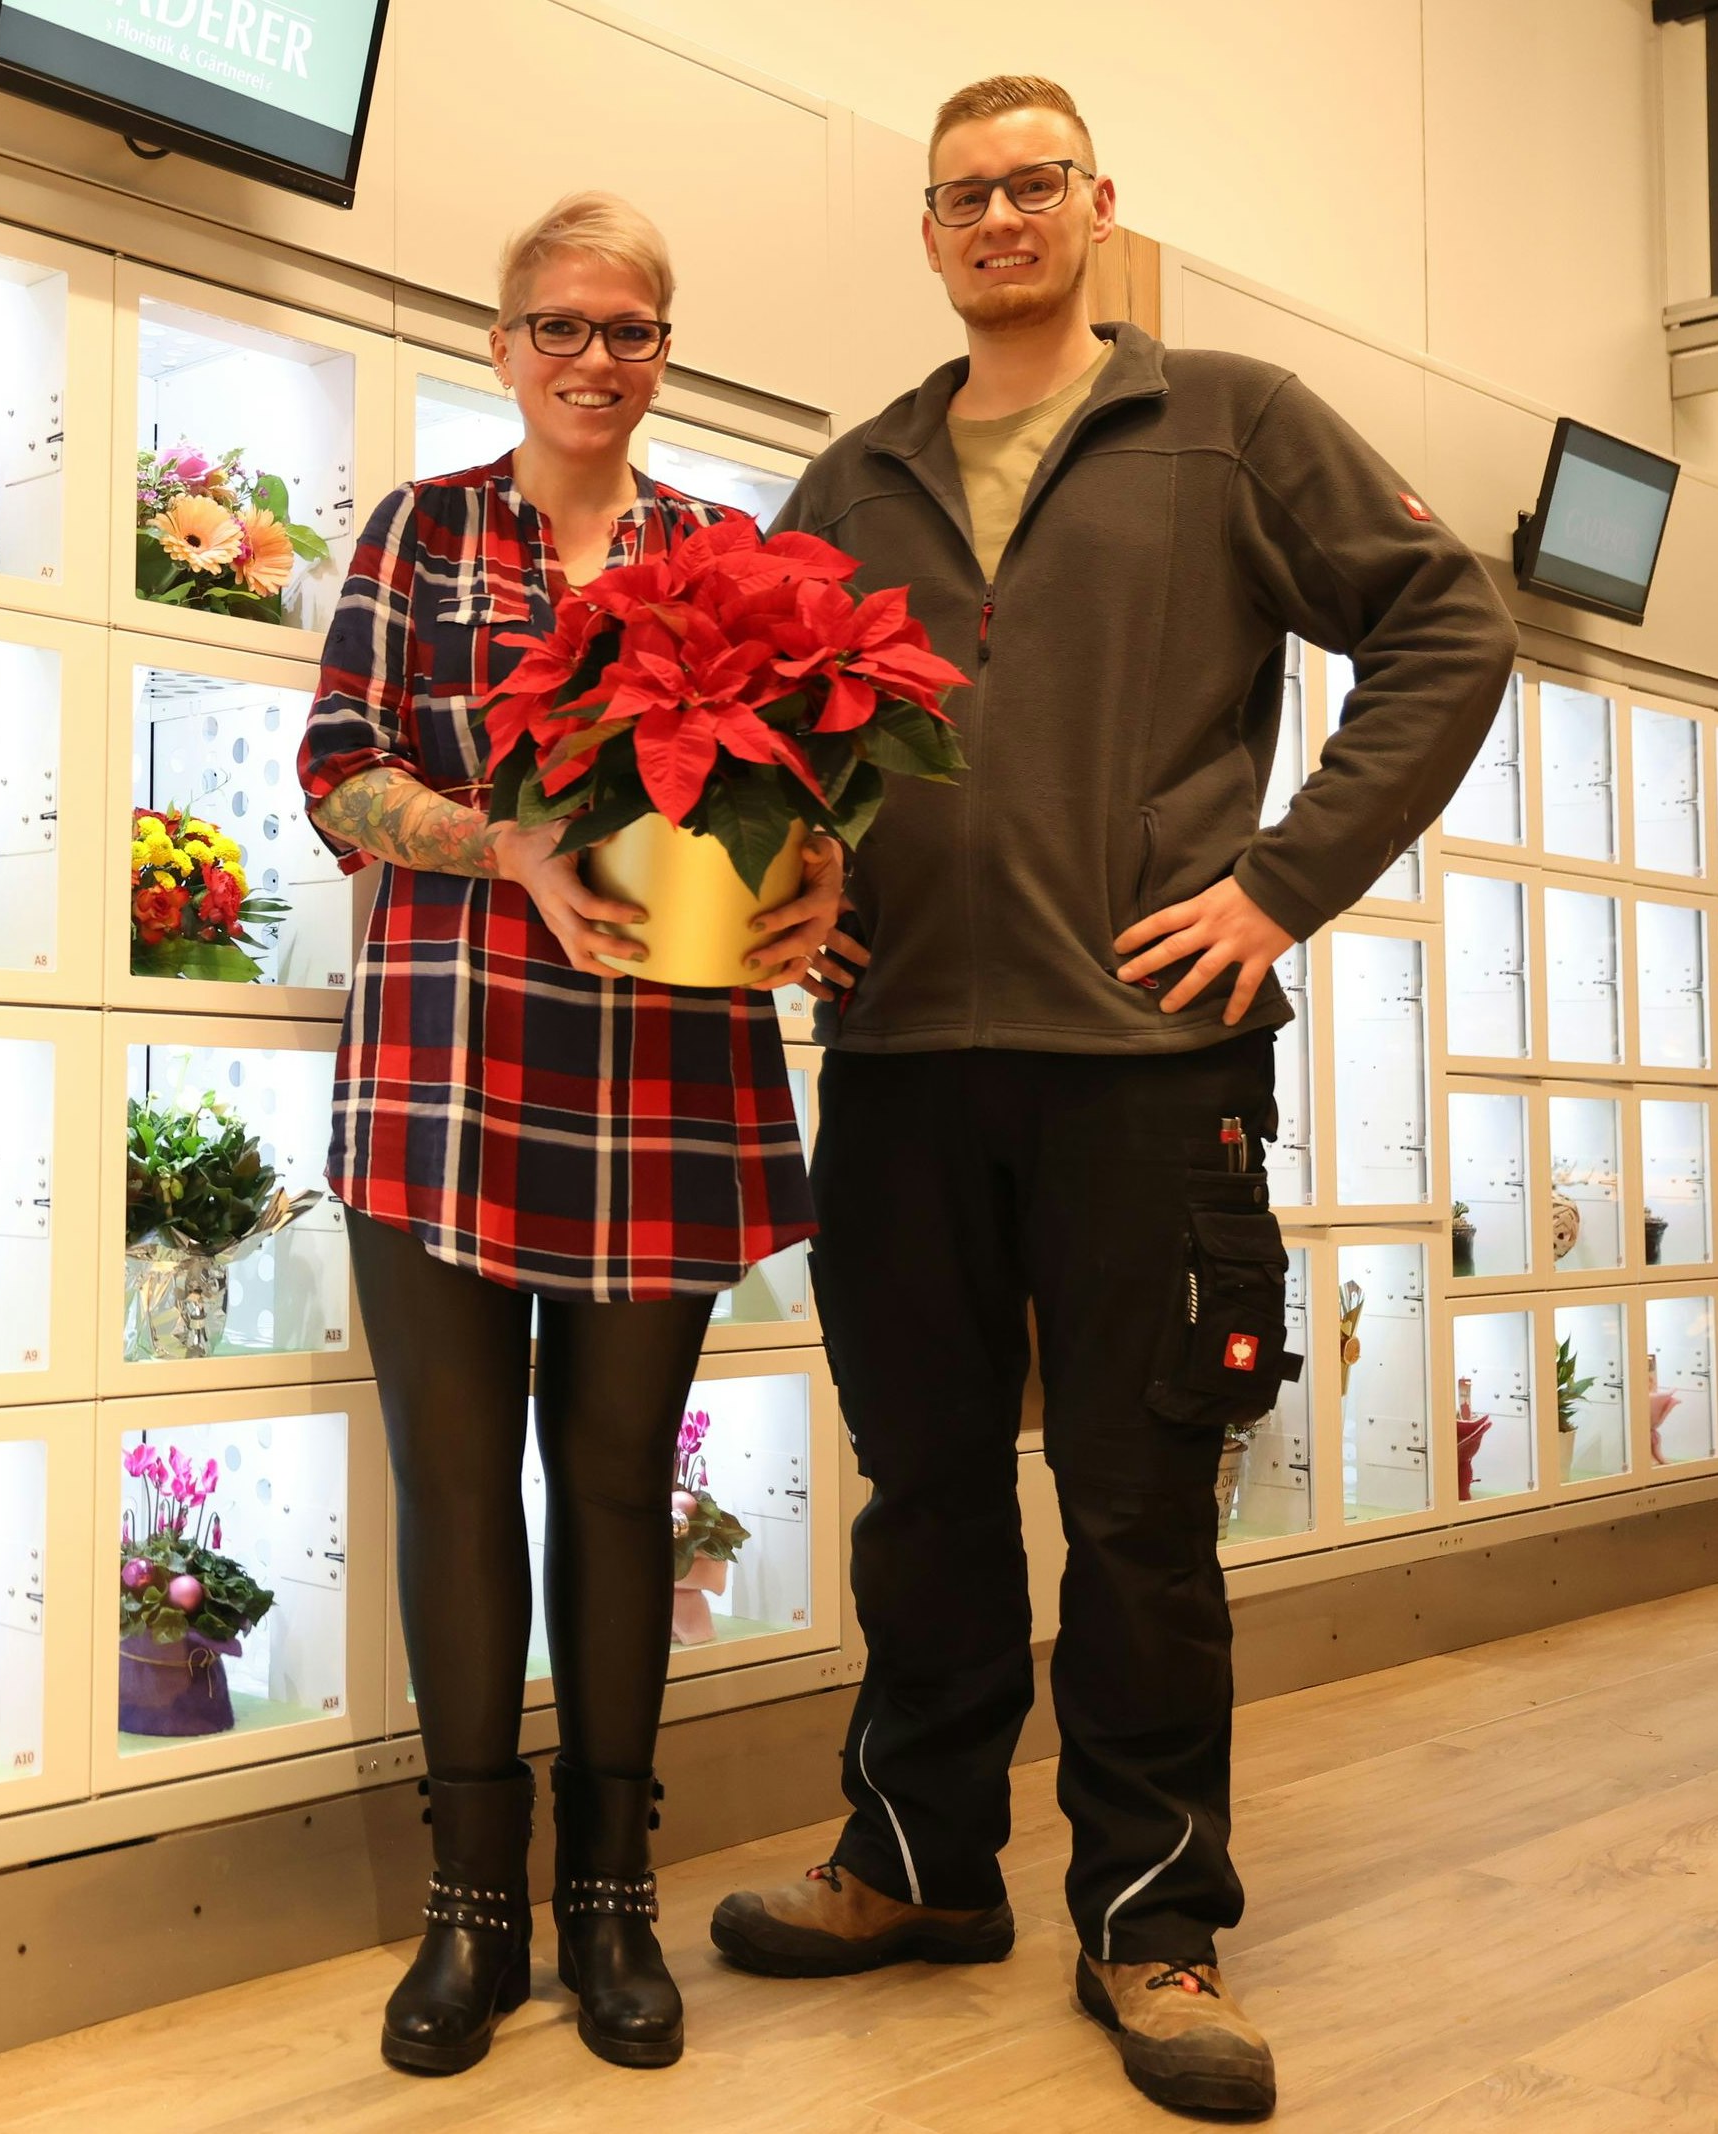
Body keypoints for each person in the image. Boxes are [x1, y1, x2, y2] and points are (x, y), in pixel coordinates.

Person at [707, 76, 1515, 2119]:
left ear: (1093, 205)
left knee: (1139, 1507)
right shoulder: (850, 479)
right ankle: (917, 1857)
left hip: (1149, 1066)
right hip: (898, 1065)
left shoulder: (1227, 423)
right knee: (923, 1489)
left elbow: (1447, 622)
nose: (998, 217)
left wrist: (1278, 883)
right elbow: (760, 738)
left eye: (1032, 184)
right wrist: (791, 893)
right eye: (961, 194)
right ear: (926, 230)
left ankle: (1153, 1917)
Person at [298, 190, 842, 2076]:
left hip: (662, 1074)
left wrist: (821, 871)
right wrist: (505, 845)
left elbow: (809, 782)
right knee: (454, 1493)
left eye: (629, 329)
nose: (593, 358)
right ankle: (471, 1909)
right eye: (560, 325)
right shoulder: (421, 531)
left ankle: (611, 1897)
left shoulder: (723, 556)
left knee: (613, 1491)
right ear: (502, 340)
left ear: (662, 352)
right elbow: (340, 770)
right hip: (443, 1072)